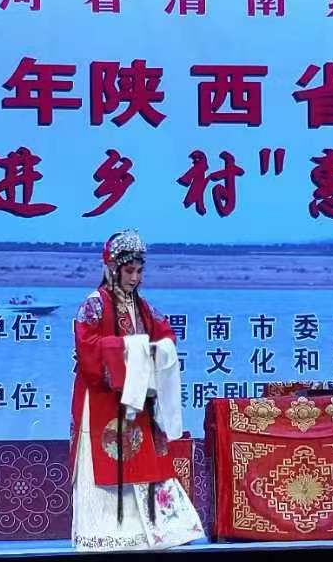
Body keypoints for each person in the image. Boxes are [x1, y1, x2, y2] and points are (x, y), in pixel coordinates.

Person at [70, 230, 204, 551]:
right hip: (100, 398)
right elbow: (87, 348)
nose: (135, 278)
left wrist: (156, 350)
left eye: (139, 271)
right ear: (111, 268)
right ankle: (104, 534)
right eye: (129, 271)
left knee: (146, 459)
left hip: (135, 399)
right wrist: (132, 350)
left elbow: (166, 334)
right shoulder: (93, 305)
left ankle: (159, 532)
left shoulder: (143, 307)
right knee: (108, 459)